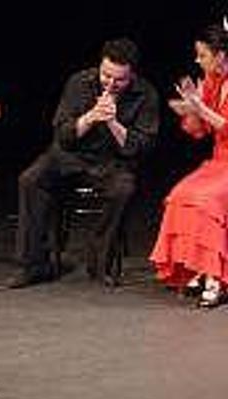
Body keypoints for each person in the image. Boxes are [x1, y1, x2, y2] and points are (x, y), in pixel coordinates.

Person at [9, 38, 160, 288]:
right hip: (70, 156)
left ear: (131, 74)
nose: (111, 83)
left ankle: (99, 260)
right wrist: (90, 117)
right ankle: (34, 264)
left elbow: (140, 148)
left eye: (119, 79)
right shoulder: (79, 82)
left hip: (112, 163)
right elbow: (62, 134)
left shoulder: (146, 94)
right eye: (106, 75)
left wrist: (112, 122)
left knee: (123, 188)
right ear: (100, 67)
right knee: (30, 179)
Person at [150, 24, 228, 307]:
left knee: (208, 200)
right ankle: (200, 267)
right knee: (180, 195)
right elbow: (202, 130)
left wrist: (200, 107)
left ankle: (218, 278)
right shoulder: (210, 79)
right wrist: (189, 109)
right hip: (220, 161)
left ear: (220, 55)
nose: (198, 60)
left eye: (203, 55)